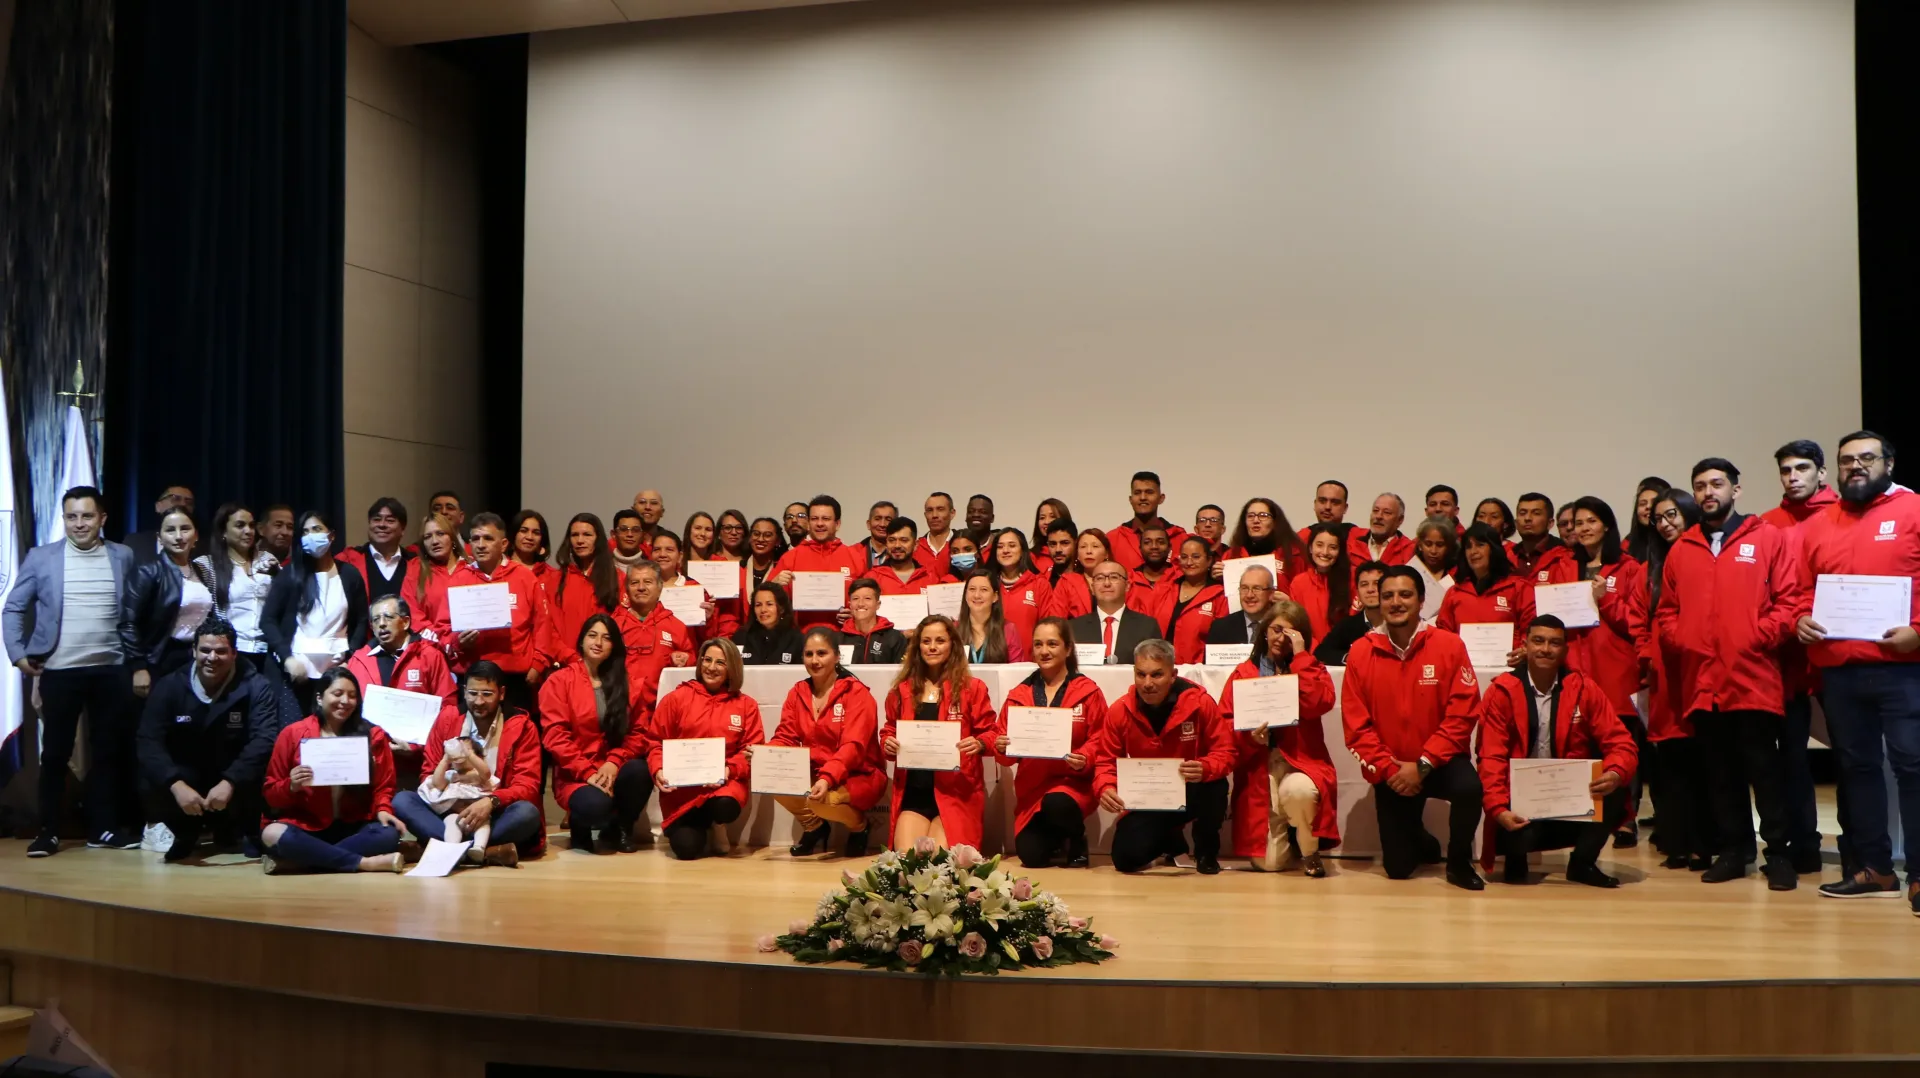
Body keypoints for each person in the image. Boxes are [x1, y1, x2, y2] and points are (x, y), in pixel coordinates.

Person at [1656, 457, 1805, 889]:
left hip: (1753, 678)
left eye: (1716, 484)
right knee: (1720, 774)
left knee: (1766, 773)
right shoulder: (1682, 549)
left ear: (1735, 491)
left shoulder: (1768, 539)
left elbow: (1789, 601)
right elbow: (1667, 611)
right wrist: (1681, 638)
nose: (1708, 493)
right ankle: (1734, 850)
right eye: (1700, 485)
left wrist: (1757, 636)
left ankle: (1777, 854)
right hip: (1702, 682)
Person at [1799, 432, 1920, 908]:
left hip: (1904, 669)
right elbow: (1800, 588)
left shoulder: (1913, 510)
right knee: (1858, 769)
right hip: (1842, 670)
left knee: (1913, 768)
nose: (1856, 467)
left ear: (1888, 463)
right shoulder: (1820, 523)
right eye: (1847, 460)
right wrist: (1798, 620)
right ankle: (1874, 869)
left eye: (1866, 458)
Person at [7, 486, 143, 854]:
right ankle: (48, 830)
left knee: (108, 753)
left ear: (102, 519)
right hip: (60, 670)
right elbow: (13, 608)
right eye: (71, 516)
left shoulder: (123, 555)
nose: (79, 524)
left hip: (111, 669)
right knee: (54, 753)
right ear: (64, 519)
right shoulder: (41, 557)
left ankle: (104, 830)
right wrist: (18, 654)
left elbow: (132, 613)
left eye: (86, 516)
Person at [1341, 566, 1485, 890]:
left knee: (1470, 788)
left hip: (1440, 761)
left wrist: (1423, 765)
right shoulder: (1362, 651)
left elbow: (1462, 714)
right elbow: (1355, 725)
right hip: (1391, 769)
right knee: (1398, 869)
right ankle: (1422, 840)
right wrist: (1390, 769)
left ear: (1421, 601)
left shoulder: (1449, 646)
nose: (1396, 602)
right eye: (1388, 595)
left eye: (1405, 594)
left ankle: (1459, 864)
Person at [1479, 616, 1639, 887]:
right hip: (1520, 802)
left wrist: (1615, 772)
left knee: (1617, 787)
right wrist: (1497, 808)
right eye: (1538, 641)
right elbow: (1490, 757)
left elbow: (1621, 743)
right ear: (1524, 645)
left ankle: (1582, 864)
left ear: (1565, 650)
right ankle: (1516, 858)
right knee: (1516, 840)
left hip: (1570, 799)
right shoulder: (1501, 692)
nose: (1545, 649)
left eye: (1555, 643)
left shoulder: (1585, 688)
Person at [136, 617, 280, 862]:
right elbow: (148, 740)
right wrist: (176, 785)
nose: (212, 657)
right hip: (186, 779)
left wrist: (230, 782)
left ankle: (237, 830)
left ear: (235, 653)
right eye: (205, 650)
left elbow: (264, 739)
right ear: (194, 651)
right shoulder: (169, 685)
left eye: (221, 651)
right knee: (150, 771)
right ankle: (182, 832)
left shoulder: (258, 686)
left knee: (263, 766)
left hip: (233, 779)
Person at [1092, 639, 1236, 874]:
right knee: (1125, 860)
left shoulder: (1201, 704)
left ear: (1173, 674)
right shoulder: (1119, 710)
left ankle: (1206, 852)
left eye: (1157, 675)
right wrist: (1105, 787)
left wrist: (1206, 767)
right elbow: (1105, 760)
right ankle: (1171, 841)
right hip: (1148, 797)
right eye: (1141, 674)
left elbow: (1226, 752)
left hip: (1192, 789)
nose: (1147, 683)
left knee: (1215, 785)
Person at [1763, 439, 1838, 873]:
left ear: (1821, 473)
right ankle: (1804, 845)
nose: (1793, 477)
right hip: (1784, 662)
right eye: (1786, 470)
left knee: (1853, 758)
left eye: (1802, 468)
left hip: (1837, 658)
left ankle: (1862, 847)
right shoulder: (1765, 525)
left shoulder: (1845, 516)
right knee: (1791, 758)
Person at [1222, 602, 1339, 876]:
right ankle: (1292, 834)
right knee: (1270, 865)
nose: (1281, 638)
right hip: (1261, 762)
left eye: (1290, 633)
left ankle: (1309, 850)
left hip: (1301, 761)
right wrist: (1250, 739)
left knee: (1298, 792)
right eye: (1276, 630)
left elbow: (1318, 703)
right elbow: (1224, 725)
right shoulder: (1244, 673)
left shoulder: (1311, 668)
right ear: (1264, 631)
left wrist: (1300, 657)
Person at [391, 661, 544, 866]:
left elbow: (528, 785)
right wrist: (449, 802)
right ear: (464, 692)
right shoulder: (448, 718)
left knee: (527, 813)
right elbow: (428, 772)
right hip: (449, 812)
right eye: (472, 693)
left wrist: (491, 802)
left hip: (494, 812)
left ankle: (449, 849)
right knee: (402, 800)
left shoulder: (522, 725)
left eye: (487, 694)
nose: (478, 701)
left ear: (502, 693)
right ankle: (487, 852)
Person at [1564, 496, 1650, 848]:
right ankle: (1580, 814)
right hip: (1574, 669)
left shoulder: (1629, 568)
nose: (1583, 529)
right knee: (1582, 746)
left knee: (1621, 746)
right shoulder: (1565, 569)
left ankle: (1625, 819)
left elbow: (1637, 623)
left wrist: (1606, 599)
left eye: (1591, 522)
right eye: (1577, 523)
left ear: (1607, 526)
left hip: (1616, 673)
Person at [258, 668, 403, 874]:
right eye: (337, 694)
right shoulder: (292, 734)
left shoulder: (373, 736)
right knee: (272, 833)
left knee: (389, 833)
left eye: (352, 696)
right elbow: (271, 794)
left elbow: (384, 786)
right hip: (307, 826)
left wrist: (383, 809)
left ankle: (303, 862)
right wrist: (290, 785)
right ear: (319, 697)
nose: (345, 701)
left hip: (353, 825)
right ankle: (365, 863)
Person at [994, 617, 1107, 868]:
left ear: (1068, 649)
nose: (1044, 651)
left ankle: (1076, 840)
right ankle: (1057, 837)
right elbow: (1004, 753)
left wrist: (1085, 757)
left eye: (1052, 644)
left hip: (1071, 786)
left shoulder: (1088, 691)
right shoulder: (1018, 695)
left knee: (1057, 802)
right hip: (1032, 790)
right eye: (1038, 644)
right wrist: (1001, 747)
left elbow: (1101, 737)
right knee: (1031, 857)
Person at [880, 615, 999, 850]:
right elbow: (889, 729)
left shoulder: (972, 689)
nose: (932, 647)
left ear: (952, 645)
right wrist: (888, 742)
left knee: (940, 864)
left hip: (956, 794)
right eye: (926, 641)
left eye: (940, 641)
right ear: (917, 647)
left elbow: (991, 733)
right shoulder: (902, 690)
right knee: (907, 862)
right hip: (915, 793)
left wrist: (980, 743)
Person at [1642, 489, 1715, 871]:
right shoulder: (1650, 566)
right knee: (1669, 763)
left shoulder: (1704, 557)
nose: (1666, 523)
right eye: (1659, 518)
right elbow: (1641, 620)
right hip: (1663, 676)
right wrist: (1645, 653)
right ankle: (1676, 843)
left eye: (1672, 515)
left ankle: (1704, 844)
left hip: (1696, 670)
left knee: (1700, 760)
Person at [767, 627, 886, 858]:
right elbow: (786, 736)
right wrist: (766, 755)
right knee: (771, 777)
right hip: (818, 771)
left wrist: (827, 777)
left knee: (823, 803)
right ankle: (815, 827)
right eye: (809, 654)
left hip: (860, 774)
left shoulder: (858, 693)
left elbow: (854, 746)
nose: (814, 660)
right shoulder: (798, 692)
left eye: (822, 653)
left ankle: (860, 827)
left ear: (837, 656)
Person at [541, 613, 653, 853]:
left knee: (641, 771)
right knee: (596, 805)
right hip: (575, 773)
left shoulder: (629, 683)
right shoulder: (559, 681)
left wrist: (614, 761)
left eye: (606, 638)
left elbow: (639, 733)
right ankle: (579, 822)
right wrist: (588, 772)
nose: (598, 643)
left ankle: (621, 827)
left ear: (614, 645)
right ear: (581, 641)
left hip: (613, 766)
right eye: (592, 636)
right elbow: (555, 737)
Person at [648, 638, 756, 860]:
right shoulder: (676, 699)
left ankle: (718, 823)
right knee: (686, 850)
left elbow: (751, 751)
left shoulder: (746, 705)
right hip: (683, 792)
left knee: (725, 806)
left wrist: (729, 770)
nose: (711, 667)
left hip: (723, 786)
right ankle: (698, 823)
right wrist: (658, 769)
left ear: (732, 667)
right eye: (707, 660)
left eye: (720, 662)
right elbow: (655, 742)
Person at [264, 510, 370, 720]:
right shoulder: (290, 574)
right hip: (297, 672)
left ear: (331, 535)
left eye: (317, 529)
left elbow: (361, 620)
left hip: (337, 670)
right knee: (297, 735)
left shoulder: (349, 575)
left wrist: (351, 658)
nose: (311, 536)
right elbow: (267, 620)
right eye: (305, 532)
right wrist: (287, 659)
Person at [449, 513, 552, 713]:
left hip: (514, 677)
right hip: (473, 676)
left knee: (516, 739)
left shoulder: (523, 577)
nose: (480, 544)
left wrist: (538, 664)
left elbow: (542, 624)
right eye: (475, 539)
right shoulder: (459, 579)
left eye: (488, 538)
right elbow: (446, 627)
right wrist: (458, 642)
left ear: (504, 544)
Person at [125, 508, 215, 694]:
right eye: (170, 530)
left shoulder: (200, 570)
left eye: (185, 529)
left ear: (196, 535)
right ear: (160, 537)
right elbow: (127, 623)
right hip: (159, 658)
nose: (178, 536)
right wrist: (138, 666)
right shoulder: (148, 571)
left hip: (194, 657)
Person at [193, 503, 279, 675]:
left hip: (267, 650)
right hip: (231, 651)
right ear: (223, 531)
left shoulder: (267, 560)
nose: (248, 531)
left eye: (251, 525)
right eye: (240, 525)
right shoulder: (207, 565)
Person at [343, 594, 459, 718]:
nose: (381, 624)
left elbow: (447, 705)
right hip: (373, 736)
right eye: (376, 619)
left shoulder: (430, 656)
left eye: (388, 617)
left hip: (422, 735)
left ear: (405, 622)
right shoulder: (358, 661)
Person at [1436, 522, 1533, 661]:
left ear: (1494, 549)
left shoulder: (1518, 587)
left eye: (1480, 545)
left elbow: (1531, 628)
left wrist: (1524, 650)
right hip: (1464, 671)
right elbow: (1443, 633)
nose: (1473, 551)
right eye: (1468, 547)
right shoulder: (1454, 592)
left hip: (1510, 670)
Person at [771, 495, 869, 630]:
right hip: (801, 639)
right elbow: (768, 603)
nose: (820, 524)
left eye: (826, 519)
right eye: (814, 519)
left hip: (846, 636)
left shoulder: (855, 558)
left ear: (837, 524)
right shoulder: (790, 558)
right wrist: (773, 585)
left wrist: (856, 613)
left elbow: (870, 601)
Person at [545, 513, 623, 668]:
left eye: (587, 534)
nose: (580, 540)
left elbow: (621, 621)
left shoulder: (617, 578)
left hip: (605, 667)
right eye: (575, 535)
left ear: (598, 539)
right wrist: (570, 657)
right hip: (565, 666)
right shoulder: (554, 580)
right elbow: (548, 627)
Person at [617, 562, 696, 712]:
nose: (641, 587)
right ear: (627, 589)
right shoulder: (614, 625)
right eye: (634, 583)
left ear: (660, 587)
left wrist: (685, 659)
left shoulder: (676, 625)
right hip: (622, 710)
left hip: (663, 710)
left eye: (648, 582)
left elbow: (692, 660)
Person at [1068, 562, 1161, 665]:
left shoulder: (1147, 626)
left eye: (1114, 577)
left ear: (1127, 586)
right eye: (1100, 578)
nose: (1107, 583)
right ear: (1092, 588)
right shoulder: (1074, 628)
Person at [1152, 537, 1226, 664]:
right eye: (1184, 557)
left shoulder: (1219, 595)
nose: (1189, 562)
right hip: (1160, 667)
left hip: (1198, 670)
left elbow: (1222, 638)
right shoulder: (1164, 589)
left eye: (1196, 557)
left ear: (1209, 561)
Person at [335, 498, 412, 605]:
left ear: (403, 529)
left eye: (390, 520)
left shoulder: (415, 562)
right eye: (376, 519)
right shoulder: (348, 560)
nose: (382, 525)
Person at [1289, 523, 1356, 646]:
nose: (1325, 552)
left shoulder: (1351, 579)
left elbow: (1354, 623)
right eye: (1319, 545)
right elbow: (1298, 626)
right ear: (1310, 548)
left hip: (1342, 654)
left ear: (1340, 551)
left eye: (1333, 547)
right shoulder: (1299, 583)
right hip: (1310, 653)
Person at [1108, 472, 1188, 571]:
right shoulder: (1113, 539)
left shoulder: (1180, 537)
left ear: (1161, 498)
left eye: (1149, 492)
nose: (1143, 498)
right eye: (1137, 493)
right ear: (1130, 499)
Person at [404, 513, 464, 647]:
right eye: (427, 537)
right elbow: (412, 613)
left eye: (440, 534)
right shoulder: (415, 569)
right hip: (431, 649)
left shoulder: (470, 567)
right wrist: (443, 642)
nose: (435, 541)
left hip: (468, 649)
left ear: (452, 537)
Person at [989, 528, 1052, 653]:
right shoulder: (988, 584)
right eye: (1000, 547)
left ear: (1023, 551)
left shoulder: (1039, 584)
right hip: (992, 660)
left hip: (1029, 662)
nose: (1005, 551)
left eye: (1012, 546)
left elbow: (1048, 627)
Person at [1315, 561, 1389, 666]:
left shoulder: (1400, 623)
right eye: (1364, 584)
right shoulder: (1348, 625)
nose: (1370, 590)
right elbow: (1321, 652)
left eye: (1376, 584)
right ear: (1357, 592)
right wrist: (1350, 657)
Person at [687, 510, 744, 641]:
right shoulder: (676, 564)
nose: (702, 534)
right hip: (682, 638)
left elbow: (729, 613)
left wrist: (722, 641)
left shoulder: (722, 565)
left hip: (715, 637)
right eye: (697, 528)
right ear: (689, 531)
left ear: (714, 535)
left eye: (708, 529)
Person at [953, 570, 1027, 663]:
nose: (977, 595)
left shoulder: (1008, 630)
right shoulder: (953, 630)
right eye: (972, 589)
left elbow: (1017, 671)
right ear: (965, 594)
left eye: (984, 590)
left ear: (995, 596)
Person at [1227, 497, 1308, 581]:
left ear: (1275, 522)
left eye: (1263, 515)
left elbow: (1304, 588)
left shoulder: (1294, 554)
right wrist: (1219, 578)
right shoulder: (1231, 555)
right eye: (1250, 516)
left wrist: (1289, 595)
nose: (1256, 520)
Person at [1042, 528, 1111, 620]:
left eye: (1095, 546)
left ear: (1106, 553)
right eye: (1083, 547)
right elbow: (1056, 621)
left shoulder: (1118, 581)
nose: (1089, 551)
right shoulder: (1066, 583)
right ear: (1077, 554)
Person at [863, 517, 943, 594]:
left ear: (915, 545)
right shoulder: (872, 578)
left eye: (904, 540)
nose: (897, 545)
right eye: (892, 540)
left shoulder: (930, 578)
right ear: (886, 543)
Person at [733, 582, 805, 666]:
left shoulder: (797, 640)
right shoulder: (741, 637)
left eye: (769, 604)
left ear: (781, 609)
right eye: (758, 605)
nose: (763, 610)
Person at [839, 578, 909, 665]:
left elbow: (902, 674)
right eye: (855, 598)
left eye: (867, 598)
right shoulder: (838, 639)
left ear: (878, 605)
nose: (860, 604)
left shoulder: (895, 638)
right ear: (850, 605)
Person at [1207, 564, 1279, 647]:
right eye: (1244, 588)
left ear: (1271, 593)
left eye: (1257, 588)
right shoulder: (1220, 628)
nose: (1249, 595)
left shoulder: (1281, 625)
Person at [124, 485, 198, 565]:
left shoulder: (206, 550)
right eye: (175, 498)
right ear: (158, 506)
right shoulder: (135, 542)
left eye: (189, 502)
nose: (183, 504)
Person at [1512, 493, 1576, 585]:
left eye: (1536, 513)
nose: (1527, 518)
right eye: (1522, 513)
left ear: (1550, 523)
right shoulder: (1507, 558)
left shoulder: (1565, 556)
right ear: (1516, 523)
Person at [1407, 517, 1458, 621]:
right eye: (1428, 544)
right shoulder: (1408, 572)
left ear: (1449, 547)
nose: (1433, 551)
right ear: (1420, 544)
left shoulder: (1457, 574)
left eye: (1440, 545)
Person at [1347, 493, 1414, 567]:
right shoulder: (1353, 537)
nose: (1379, 516)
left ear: (1400, 520)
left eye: (1387, 513)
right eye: (1376, 510)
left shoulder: (1409, 550)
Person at [1625, 477, 1673, 563]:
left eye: (1654, 502)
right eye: (1642, 504)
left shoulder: (1676, 542)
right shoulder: (1626, 545)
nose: (1648, 507)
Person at [1127, 524, 1178, 604]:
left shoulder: (1180, 578)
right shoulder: (1128, 581)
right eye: (1147, 542)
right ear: (1140, 548)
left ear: (1169, 547)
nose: (1154, 547)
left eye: (1160, 542)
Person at [916, 492, 958, 576]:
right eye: (930, 510)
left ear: (952, 513)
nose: (934, 515)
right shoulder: (915, 548)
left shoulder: (961, 545)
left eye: (940, 509)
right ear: (925, 515)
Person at [509, 510, 554, 586]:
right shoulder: (500, 571)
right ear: (514, 535)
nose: (529, 537)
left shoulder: (552, 576)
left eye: (536, 533)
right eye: (523, 531)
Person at [1029, 498, 1074, 573]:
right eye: (1042, 518)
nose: (1046, 522)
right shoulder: (1031, 557)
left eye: (1052, 516)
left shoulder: (1078, 554)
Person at [744, 516, 786, 592]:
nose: (760, 539)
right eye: (756, 534)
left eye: (767, 535)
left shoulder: (782, 570)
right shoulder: (739, 568)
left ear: (778, 541)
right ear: (750, 538)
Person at [610, 509, 651, 582]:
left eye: (636, 530)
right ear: (613, 534)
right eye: (623, 529)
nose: (629, 534)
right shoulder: (602, 568)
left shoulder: (651, 568)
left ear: (643, 536)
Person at [857, 502, 896, 568]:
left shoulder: (902, 555)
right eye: (877, 519)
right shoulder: (852, 553)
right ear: (868, 524)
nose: (882, 524)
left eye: (888, 519)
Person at [1041, 520, 1079, 587]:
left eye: (1064, 543)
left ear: (1076, 543)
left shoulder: (1088, 577)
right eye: (1053, 544)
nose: (1058, 549)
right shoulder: (1042, 580)